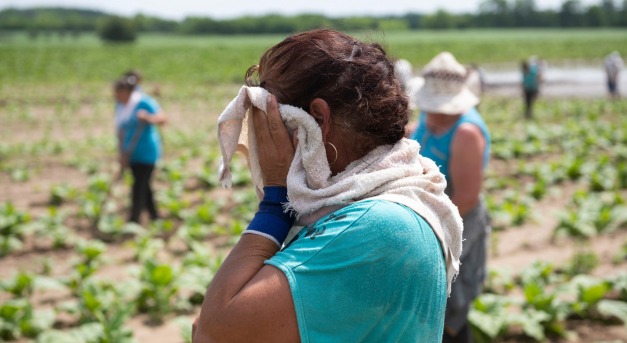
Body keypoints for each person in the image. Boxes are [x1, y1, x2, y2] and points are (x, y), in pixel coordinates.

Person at [193, 29, 463, 342]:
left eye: (271, 118)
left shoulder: (375, 225)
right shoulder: (379, 205)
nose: (264, 137)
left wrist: (275, 202)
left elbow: (213, 333)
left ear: (317, 120)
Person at [409, 52, 491, 343]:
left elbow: (466, 198)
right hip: (429, 219)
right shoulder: (429, 117)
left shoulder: (467, 132)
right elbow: (416, 137)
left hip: (454, 224)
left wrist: (427, 232)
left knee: (448, 307)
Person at [113, 74, 167, 223]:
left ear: (127, 92)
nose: (117, 97)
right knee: (144, 186)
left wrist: (147, 117)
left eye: (119, 93)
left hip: (147, 153)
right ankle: (155, 217)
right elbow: (120, 132)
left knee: (138, 187)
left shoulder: (144, 102)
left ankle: (134, 220)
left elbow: (162, 119)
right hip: (131, 153)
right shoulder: (121, 107)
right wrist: (122, 155)